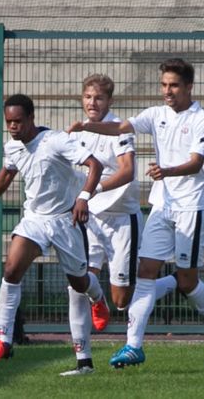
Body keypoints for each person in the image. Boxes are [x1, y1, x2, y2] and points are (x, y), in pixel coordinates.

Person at [69, 58, 204, 372]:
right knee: (145, 271)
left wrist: (166, 170)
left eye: (174, 86)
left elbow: (196, 163)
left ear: (188, 87)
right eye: (164, 85)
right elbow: (119, 127)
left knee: (187, 282)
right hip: (162, 205)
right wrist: (87, 125)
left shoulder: (202, 120)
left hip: (192, 207)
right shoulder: (156, 114)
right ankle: (133, 346)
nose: (167, 91)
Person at [0, 94, 107, 376]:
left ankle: (98, 297)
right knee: (11, 270)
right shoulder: (12, 146)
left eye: (18, 121)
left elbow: (95, 165)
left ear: (31, 119)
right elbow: (7, 173)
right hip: (34, 219)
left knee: (79, 282)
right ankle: (5, 341)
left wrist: (83, 197)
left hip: (65, 220)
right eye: (9, 122)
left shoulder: (56, 141)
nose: (13, 127)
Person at [69, 74, 146, 332]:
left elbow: (127, 171)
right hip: (91, 218)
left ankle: (175, 282)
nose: (93, 103)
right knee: (81, 279)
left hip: (121, 218)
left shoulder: (118, 128)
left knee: (121, 299)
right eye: (88, 97)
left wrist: (95, 189)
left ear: (109, 100)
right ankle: (95, 301)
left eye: (99, 98)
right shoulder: (78, 132)